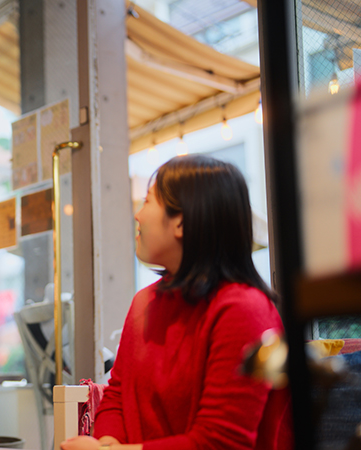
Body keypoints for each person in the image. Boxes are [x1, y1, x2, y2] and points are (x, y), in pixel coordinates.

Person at [61, 155, 292, 450]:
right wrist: (107, 444)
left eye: (148, 201)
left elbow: (221, 442)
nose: (137, 215)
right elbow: (117, 394)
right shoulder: (145, 302)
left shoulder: (243, 310)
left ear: (181, 221)